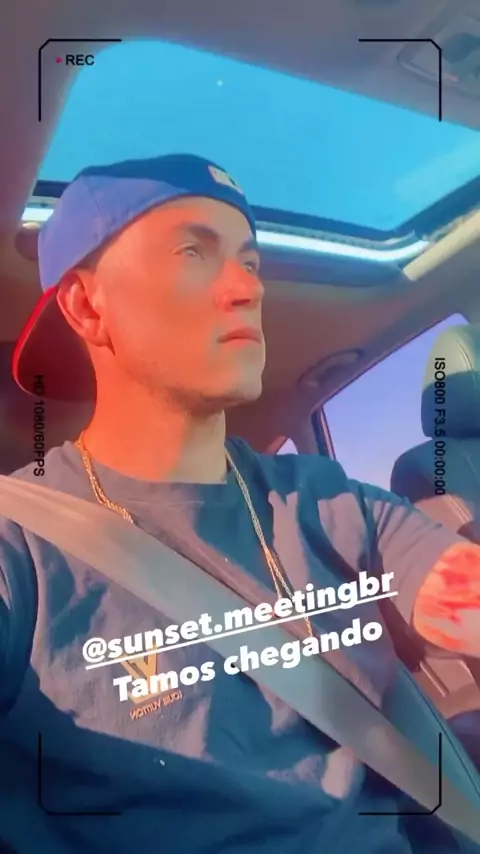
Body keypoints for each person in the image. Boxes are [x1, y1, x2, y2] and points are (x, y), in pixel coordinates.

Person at [0, 153, 479, 853]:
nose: (247, 287)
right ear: (86, 305)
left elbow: (458, 592)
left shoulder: (322, 498)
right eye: (193, 252)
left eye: (250, 262)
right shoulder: (20, 544)